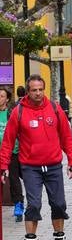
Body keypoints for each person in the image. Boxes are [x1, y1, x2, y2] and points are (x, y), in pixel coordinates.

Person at [0, 74, 72, 240]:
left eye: (40, 89)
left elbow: (66, 136)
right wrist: (3, 167)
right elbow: (8, 142)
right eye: (34, 90)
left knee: (58, 203)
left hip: (53, 166)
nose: (38, 93)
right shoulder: (19, 112)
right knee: (33, 205)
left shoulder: (54, 108)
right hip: (30, 167)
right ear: (28, 91)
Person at [0, 87, 24, 222]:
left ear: (7, 99)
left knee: (14, 180)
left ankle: (18, 205)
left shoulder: (11, 113)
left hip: (12, 152)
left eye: (2, 96)